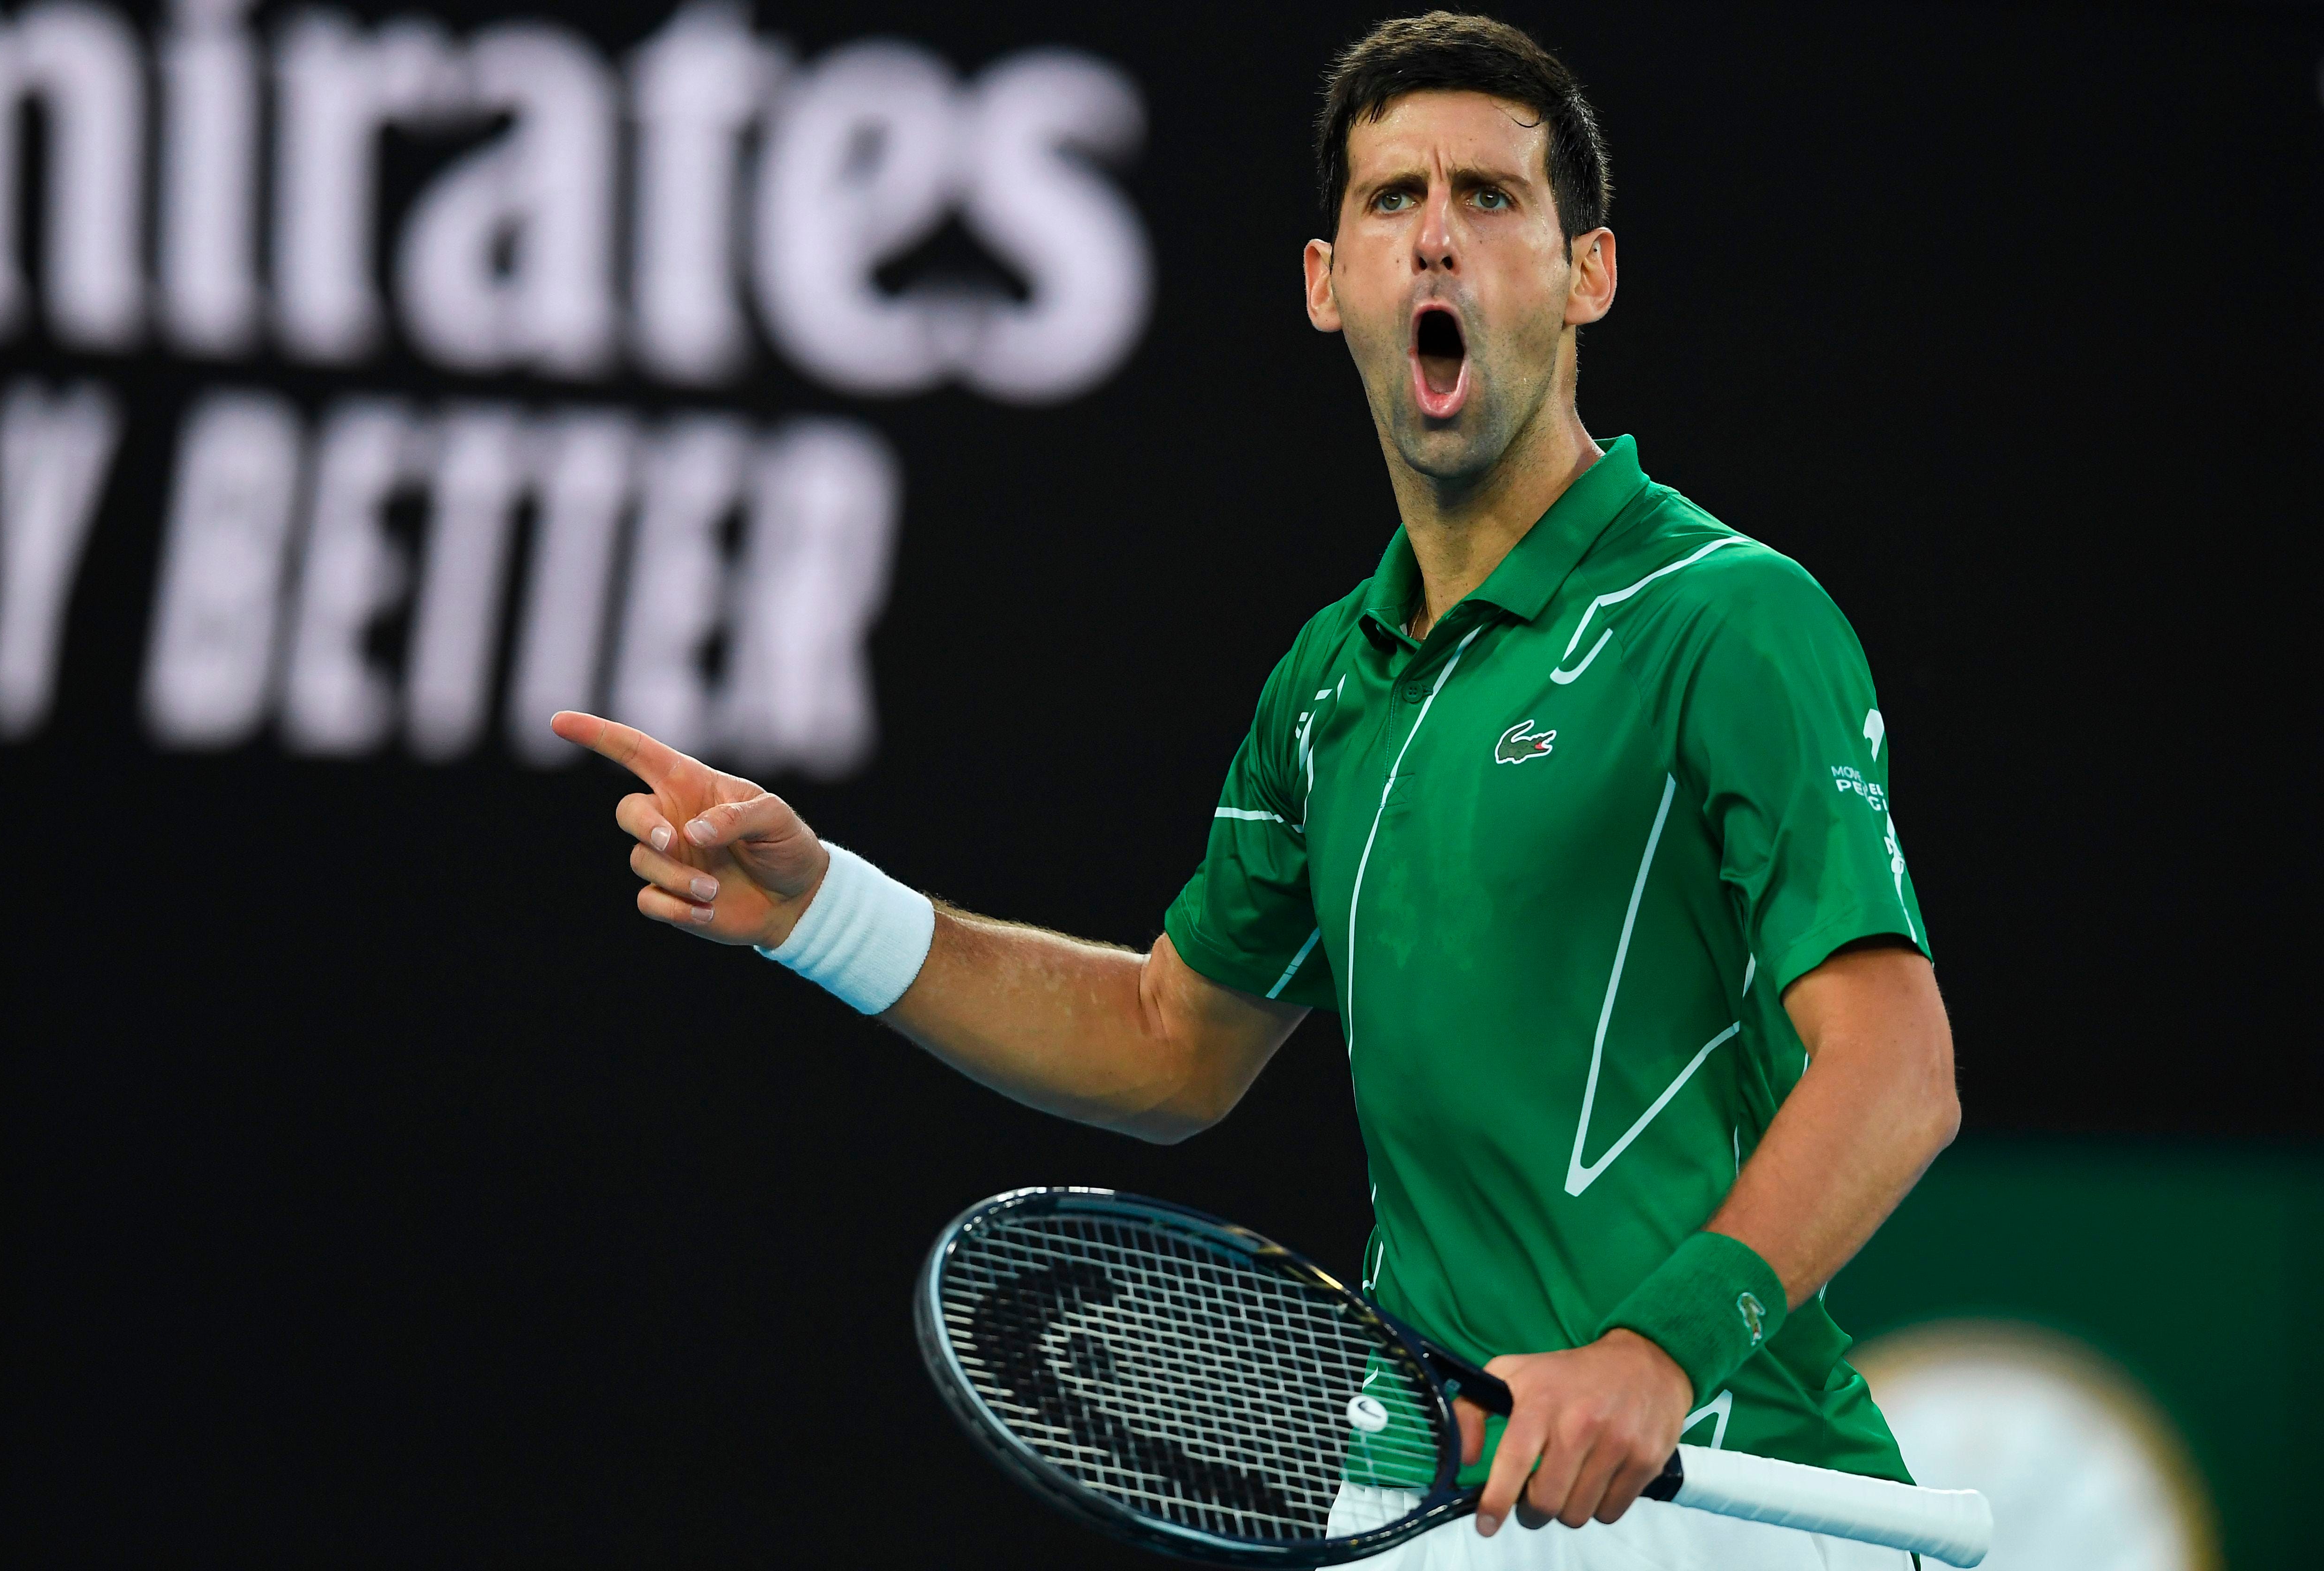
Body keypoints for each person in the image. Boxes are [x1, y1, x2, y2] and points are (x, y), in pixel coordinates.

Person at [553, 13, 1957, 1568]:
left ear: (1587, 276)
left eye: (1492, 198)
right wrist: (823, 911)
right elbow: (1173, 1043)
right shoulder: (1329, 689)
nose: (1437, 237)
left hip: (1729, 1491)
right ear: (1326, 282)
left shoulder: (1724, 619)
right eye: (1390, 200)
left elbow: (1898, 1068)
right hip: (1434, 1492)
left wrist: (1661, 1349)